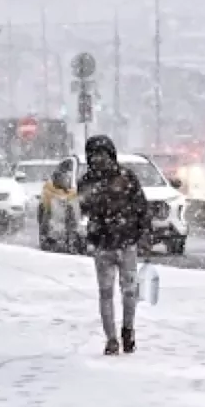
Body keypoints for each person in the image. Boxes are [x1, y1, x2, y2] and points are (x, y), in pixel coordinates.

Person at [77, 135, 151, 355]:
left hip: (125, 242)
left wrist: (143, 233)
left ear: (111, 154)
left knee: (129, 292)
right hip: (103, 244)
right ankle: (111, 339)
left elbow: (141, 207)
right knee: (106, 292)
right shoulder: (88, 181)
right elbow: (83, 209)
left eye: (102, 155)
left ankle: (127, 330)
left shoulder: (127, 178)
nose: (99, 159)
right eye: (94, 155)